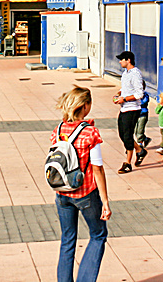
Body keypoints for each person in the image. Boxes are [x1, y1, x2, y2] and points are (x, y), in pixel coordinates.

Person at [51, 86, 110, 282]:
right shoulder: (90, 132)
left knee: (67, 240)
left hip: (62, 193)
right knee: (98, 235)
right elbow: (97, 168)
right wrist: (105, 201)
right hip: (86, 193)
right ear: (85, 106)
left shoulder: (58, 130)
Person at [113, 51, 145, 173]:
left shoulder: (136, 74)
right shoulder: (125, 74)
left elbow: (139, 93)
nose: (120, 62)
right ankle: (139, 150)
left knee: (127, 135)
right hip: (124, 108)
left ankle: (128, 163)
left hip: (132, 109)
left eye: (122, 59)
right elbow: (125, 88)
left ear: (128, 60)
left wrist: (125, 99)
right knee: (122, 134)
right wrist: (118, 94)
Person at [133, 85, 152, 164]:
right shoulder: (133, 94)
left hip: (142, 115)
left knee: (139, 130)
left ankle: (140, 144)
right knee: (135, 130)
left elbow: (144, 102)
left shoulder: (145, 95)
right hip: (135, 114)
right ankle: (145, 139)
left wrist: (137, 99)